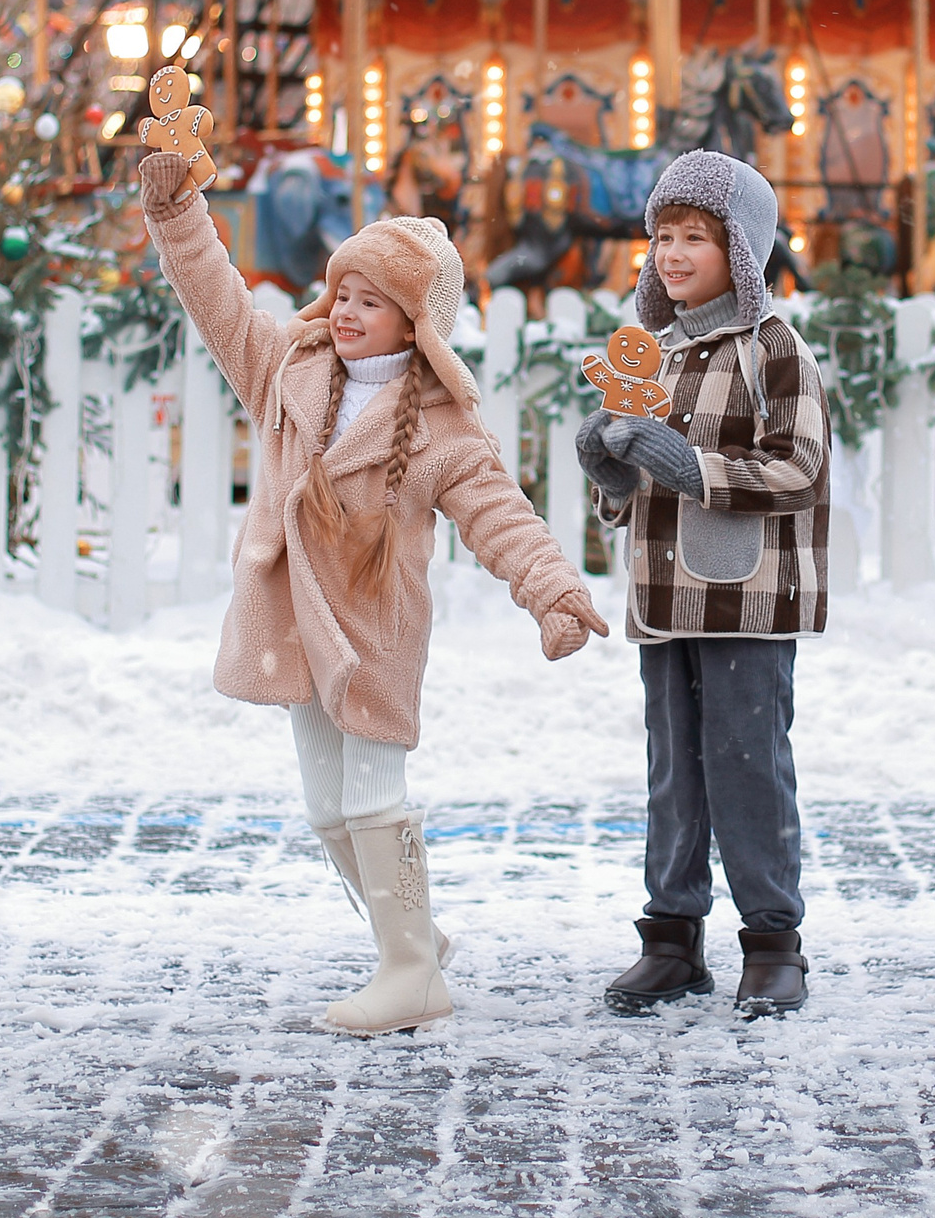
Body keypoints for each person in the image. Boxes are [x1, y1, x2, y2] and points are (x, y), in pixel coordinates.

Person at [139, 148, 610, 1036]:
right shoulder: (288, 369)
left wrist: (551, 591)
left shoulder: (441, 428)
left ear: (414, 325)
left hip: (374, 632)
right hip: (295, 623)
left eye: (371, 300)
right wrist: (177, 213)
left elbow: (500, 515)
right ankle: (419, 935)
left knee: (371, 798)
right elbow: (217, 299)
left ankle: (409, 971)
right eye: (342, 292)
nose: (347, 311)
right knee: (327, 810)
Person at [576, 151, 830, 1019]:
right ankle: (672, 938)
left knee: (746, 763)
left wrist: (695, 467)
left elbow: (800, 470)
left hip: (745, 598)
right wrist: (609, 473)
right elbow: (634, 490)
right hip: (664, 596)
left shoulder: (771, 349)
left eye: (695, 238)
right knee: (673, 769)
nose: (671, 255)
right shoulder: (653, 355)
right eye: (661, 237)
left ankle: (772, 940)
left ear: (744, 251)